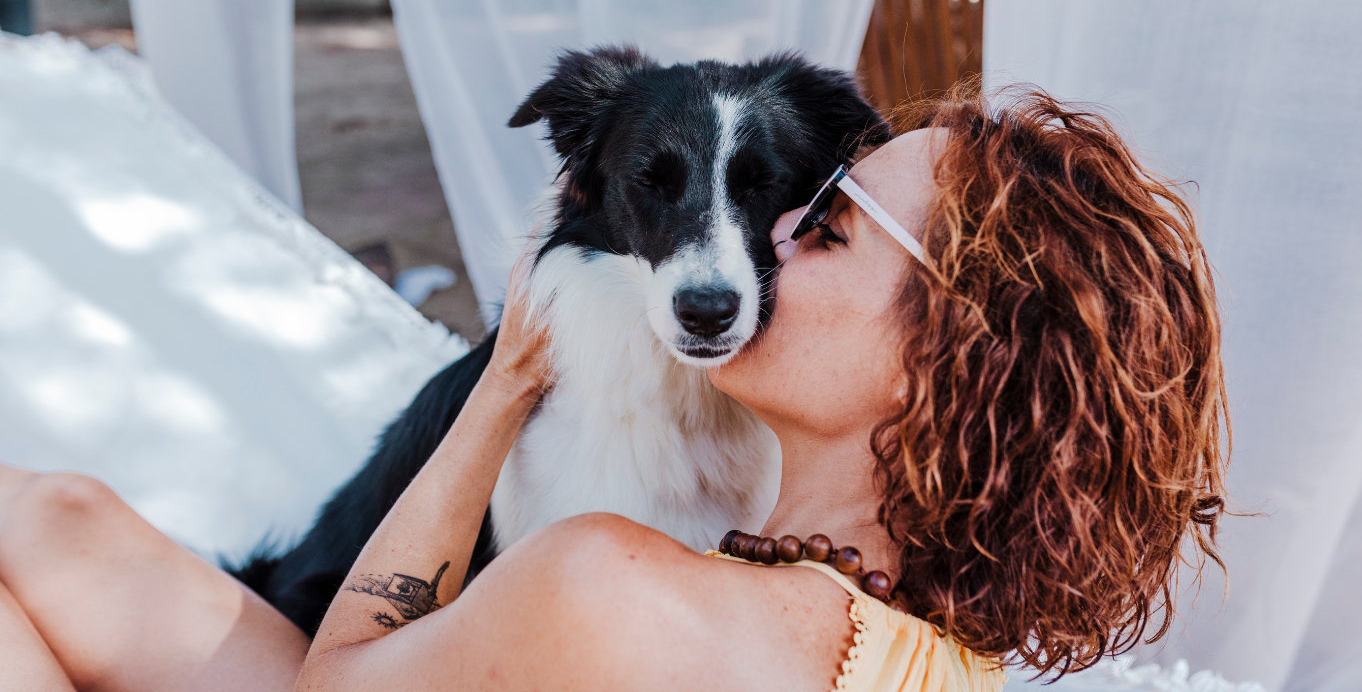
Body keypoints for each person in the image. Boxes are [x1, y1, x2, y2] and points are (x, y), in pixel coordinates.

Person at [0, 85, 1227, 692]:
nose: (772, 240)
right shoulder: (934, 653)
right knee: (64, 520)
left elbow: (337, 685)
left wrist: (495, 396)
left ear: (945, 362)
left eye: (833, 228)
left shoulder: (614, 589)